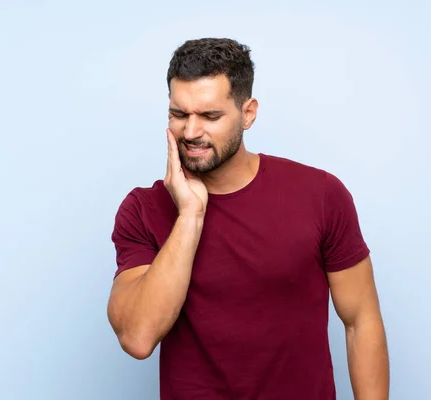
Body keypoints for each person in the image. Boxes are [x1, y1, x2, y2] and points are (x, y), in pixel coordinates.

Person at [107, 37, 389, 400]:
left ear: (248, 113)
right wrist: (191, 214)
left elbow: (360, 321)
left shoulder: (320, 195)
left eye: (210, 116)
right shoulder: (142, 210)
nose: (190, 132)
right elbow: (138, 337)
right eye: (179, 115)